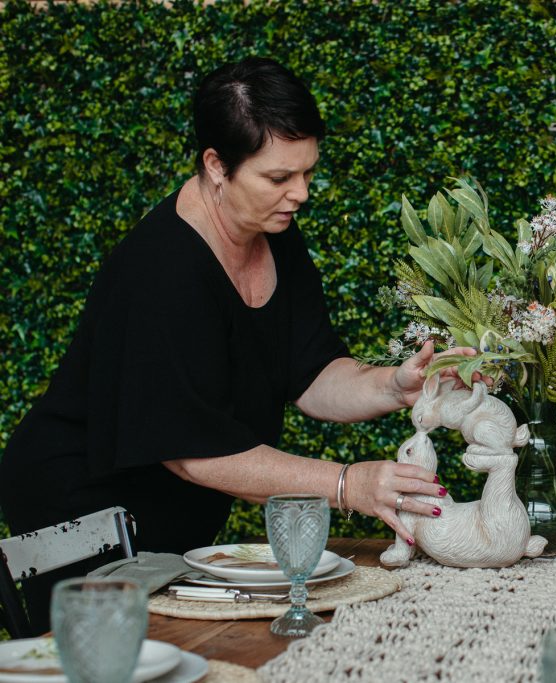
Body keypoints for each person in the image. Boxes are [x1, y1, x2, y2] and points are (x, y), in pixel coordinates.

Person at [0, 57, 470, 628]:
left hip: (167, 522)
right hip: (82, 512)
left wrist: (394, 384)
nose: (300, 194)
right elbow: (194, 454)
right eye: (278, 178)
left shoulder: (274, 232)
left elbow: (313, 373)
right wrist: (350, 484)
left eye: (307, 173)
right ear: (217, 165)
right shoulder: (160, 273)